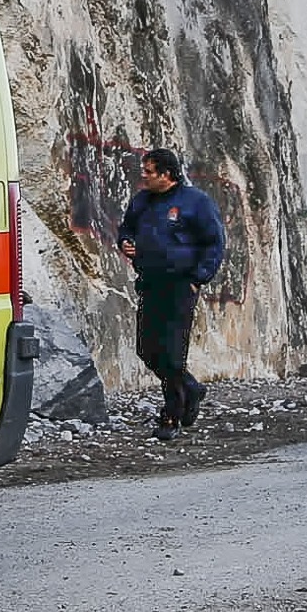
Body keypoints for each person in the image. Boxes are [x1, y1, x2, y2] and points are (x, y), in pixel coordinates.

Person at [117, 148, 226, 437]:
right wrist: (126, 242)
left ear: (167, 174)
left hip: (180, 284)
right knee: (147, 350)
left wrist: (198, 278)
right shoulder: (142, 201)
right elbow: (126, 229)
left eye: (149, 172)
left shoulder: (196, 203)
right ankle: (191, 388)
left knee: (172, 353)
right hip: (150, 283)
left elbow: (214, 243)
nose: (144, 177)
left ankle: (171, 416)